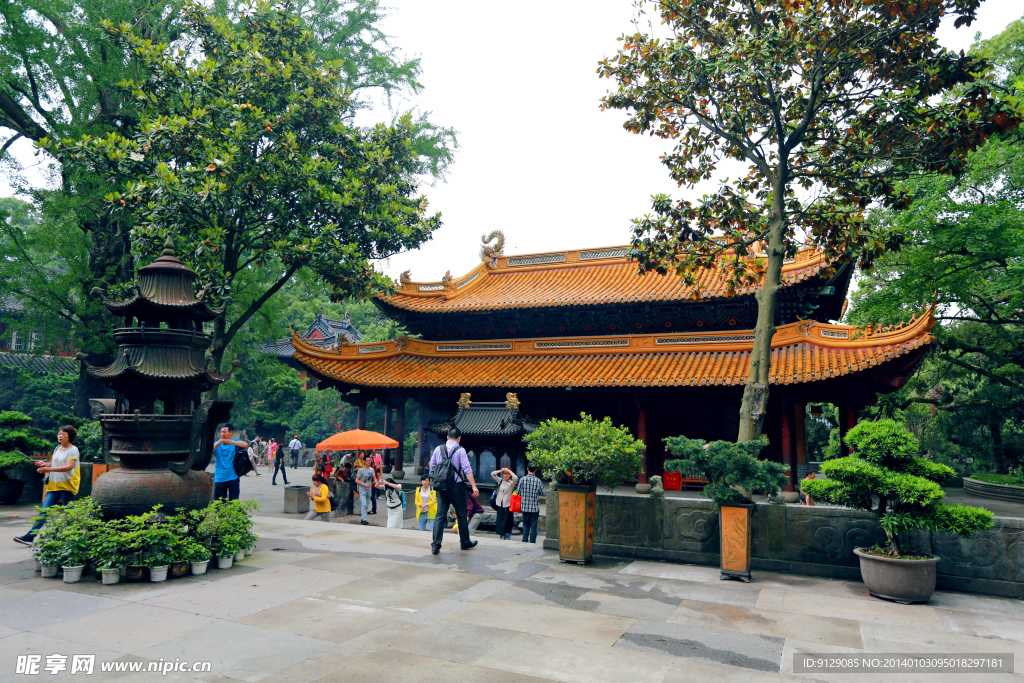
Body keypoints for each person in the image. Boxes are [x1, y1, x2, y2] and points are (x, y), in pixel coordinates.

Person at [14, 425, 81, 545]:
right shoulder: (57, 448)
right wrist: (44, 464)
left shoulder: (73, 450)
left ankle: (74, 537)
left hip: (68, 485)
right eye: (59, 433)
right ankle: (30, 536)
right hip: (54, 484)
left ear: (69, 436)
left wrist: (48, 470)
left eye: (63, 434)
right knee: (44, 511)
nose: (60, 436)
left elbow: (69, 467)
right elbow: (54, 462)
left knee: (69, 513)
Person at [428, 427, 479, 555]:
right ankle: (464, 542)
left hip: (441, 486)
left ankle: (435, 545)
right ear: (459, 438)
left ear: (447, 437)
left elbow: (432, 466)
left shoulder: (438, 449)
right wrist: (474, 486)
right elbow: (467, 469)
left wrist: (436, 481)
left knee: (440, 515)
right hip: (457, 487)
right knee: (462, 514)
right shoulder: (460, 450)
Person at [212, 424, 249, 500]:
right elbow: (209, 451)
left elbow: (245, 444)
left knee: (234, 501)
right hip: (220, 477)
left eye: (224, 432)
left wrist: (232, 442)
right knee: (218, 503)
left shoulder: (235, 442)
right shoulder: (217, 443)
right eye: (221, 432)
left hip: (233, 477)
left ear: (231, 432)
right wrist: (218, 443)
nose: (222, 434)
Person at [518, 465, 545, 543]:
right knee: (534, 525)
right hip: (534, 507)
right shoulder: (538, 481)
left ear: (527, 469)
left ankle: (524, 540)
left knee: (525, 524)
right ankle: (532, 541)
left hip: (525, 506)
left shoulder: (522, 479)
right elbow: (543, 493)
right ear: (535, 470)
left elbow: (518, 492)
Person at [491, 467, 519, 540]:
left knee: (508, 521)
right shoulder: (500, 481)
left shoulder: (511, 483)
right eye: (504, 474)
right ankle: (501, 535)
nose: (505, 475)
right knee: (500, 521)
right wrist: (501, 470)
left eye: (507, 474)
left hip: (508, 505)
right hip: (500, 504)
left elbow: (516, 478)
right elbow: (493, 474)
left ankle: (507, 536)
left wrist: (509, 470)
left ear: (510, 475)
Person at [354, 458, 375, 525]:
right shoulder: (361, 470)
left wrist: (375, 481)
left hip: (369, 489)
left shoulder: (372, 469)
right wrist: (364, 484)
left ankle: (364, 517)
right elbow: (356, 480)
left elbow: (375, 479)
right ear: (365, 461)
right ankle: (363, 519)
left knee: (367, 504)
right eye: (368, 460)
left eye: (370, 461)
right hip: (362, 489)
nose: (369, 462)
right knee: (364, 504)